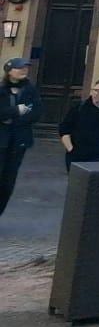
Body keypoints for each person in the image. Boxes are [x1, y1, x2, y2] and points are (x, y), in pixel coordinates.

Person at [0, 58, 39, 216]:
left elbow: (36, 112)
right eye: (19, 68)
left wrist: (11, 118)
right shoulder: (1, 90)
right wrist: (16, 111)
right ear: (9, 71)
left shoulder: (30, 90)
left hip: (19, 141)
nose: (24, 70)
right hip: (1, 140)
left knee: (8, 182)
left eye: (26, 67)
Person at [58, 78, 99, 168]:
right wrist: (70, 148)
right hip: (76, 155)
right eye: (95, 90)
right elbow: (64, 129)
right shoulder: (79, 108)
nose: (96, 93)